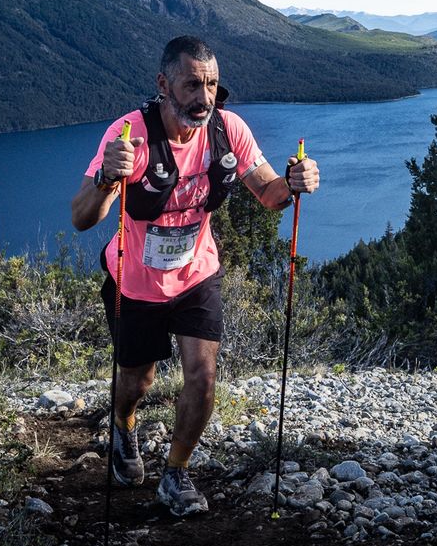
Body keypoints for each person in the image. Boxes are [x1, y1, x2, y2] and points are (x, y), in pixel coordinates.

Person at [71, 34, 320, 517]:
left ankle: (176, 473)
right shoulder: (129, 135)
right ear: (165, 84)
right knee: (137, 379)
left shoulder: (229, 130)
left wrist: (294, 183)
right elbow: (82, 217)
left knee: (203, 378)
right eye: (191, 85)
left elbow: (267, 194)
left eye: (211, 84)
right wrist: (107, 176)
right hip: (135, 280)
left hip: (197, 274)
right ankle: (122, 425)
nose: (204, 97)